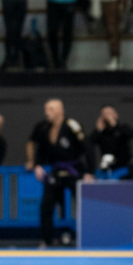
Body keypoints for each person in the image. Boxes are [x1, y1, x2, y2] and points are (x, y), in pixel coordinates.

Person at [25, 99, 94, 247]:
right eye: (46, 109)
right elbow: (39, 148)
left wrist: (90, 172)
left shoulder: (72, 125)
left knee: (84, 205)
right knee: (46, 206)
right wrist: (37, 164)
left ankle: (89, 239)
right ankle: (48, 240)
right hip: (56, 172)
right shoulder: (44, 128)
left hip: (74, 171)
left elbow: (87, 147)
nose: (46, 112)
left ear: (59, 110)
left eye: (50, 109)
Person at [90, 105, 133, 178]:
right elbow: (91, 142)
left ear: (115, 115)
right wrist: (98, 130)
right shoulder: (102, 132)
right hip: (108, 168)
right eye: (104, 114)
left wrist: (115, 125)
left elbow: (131, 134)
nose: (107, 117)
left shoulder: (123, 128)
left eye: (109, 113)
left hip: (125, 168)